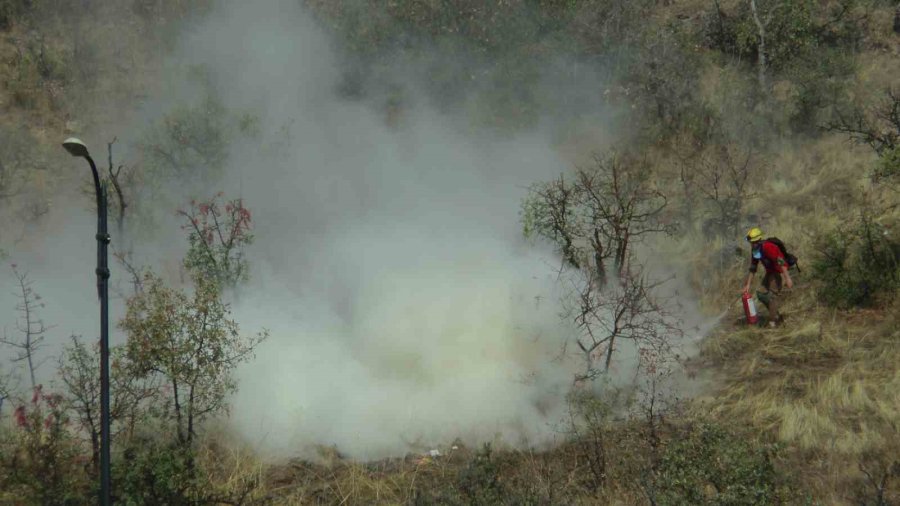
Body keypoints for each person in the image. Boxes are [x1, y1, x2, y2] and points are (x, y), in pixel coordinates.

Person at [742, 227, 793, 327]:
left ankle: (772, 323)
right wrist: (748, 284)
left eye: (753, 242)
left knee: (772, 296)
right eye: (751, 243)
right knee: (761, 294)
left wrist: (787, 278)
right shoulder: (755, 250)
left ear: (758, 240)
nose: (752, 244)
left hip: (778, 272)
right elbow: (753, 267)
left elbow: (781, 262)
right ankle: (775, 315)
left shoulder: (768, 247)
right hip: (770, 273)